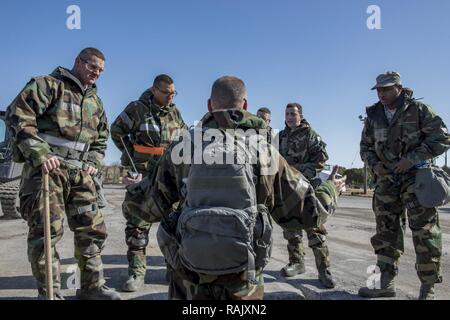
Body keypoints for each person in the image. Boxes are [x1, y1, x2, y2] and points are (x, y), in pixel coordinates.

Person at [134, 76, 346, 300]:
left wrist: (135, 187)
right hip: (244, 281)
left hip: (189, 280)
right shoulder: (264, 152)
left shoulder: (182, 147)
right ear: (245, 105)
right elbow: (309, 213)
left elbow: (144, 208)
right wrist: (332, 187)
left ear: (209, 105)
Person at [6, 48, 121, 300]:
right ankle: (50, 292)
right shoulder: (48, 85)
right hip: (49, 172)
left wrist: (93, 160)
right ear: (78, 62)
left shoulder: (95, 101)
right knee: (46, 232)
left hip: (82, 175)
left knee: (92, 230)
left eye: (101, 71)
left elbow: (102, 137)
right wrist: (40, 153)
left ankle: (92, 288)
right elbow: (18, 115)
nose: (97, 74)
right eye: (93, 67)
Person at [359, 71, 450, 300]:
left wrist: (413, 158)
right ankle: (384, 284)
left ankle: (427, 289)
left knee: (425, 233)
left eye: (386, 89)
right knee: (385, 234)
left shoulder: (419, 110)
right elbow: (365, 147)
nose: (381, 93)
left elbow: (442, 138)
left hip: (416, 178)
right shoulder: (373, 115)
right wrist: (374, 163)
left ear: (399, 88)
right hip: (386, 181)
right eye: (378, 89)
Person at [110, 74, 186, 292]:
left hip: (168, 178)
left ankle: (172, 270)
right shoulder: (137, 109)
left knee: (173, 226)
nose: (171, 97)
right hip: (141, 176)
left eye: (173, 93)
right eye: (166, 93)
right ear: (154, 90)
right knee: (137, 227)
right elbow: (117, 132)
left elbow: (181, 141)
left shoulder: (175, 113)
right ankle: (136, 272)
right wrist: (131, 160)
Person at [277, 103, 334, 288]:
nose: (290, 117)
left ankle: (324, 270)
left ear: (300, 115)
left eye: (293, 114)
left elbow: (321, 161)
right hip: (287, 189)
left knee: (314, 229)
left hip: (307, 187)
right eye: (287, 114)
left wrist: (297, 170)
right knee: (291, 229)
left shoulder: (310, 135)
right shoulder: (281, 137)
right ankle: (296, 262)